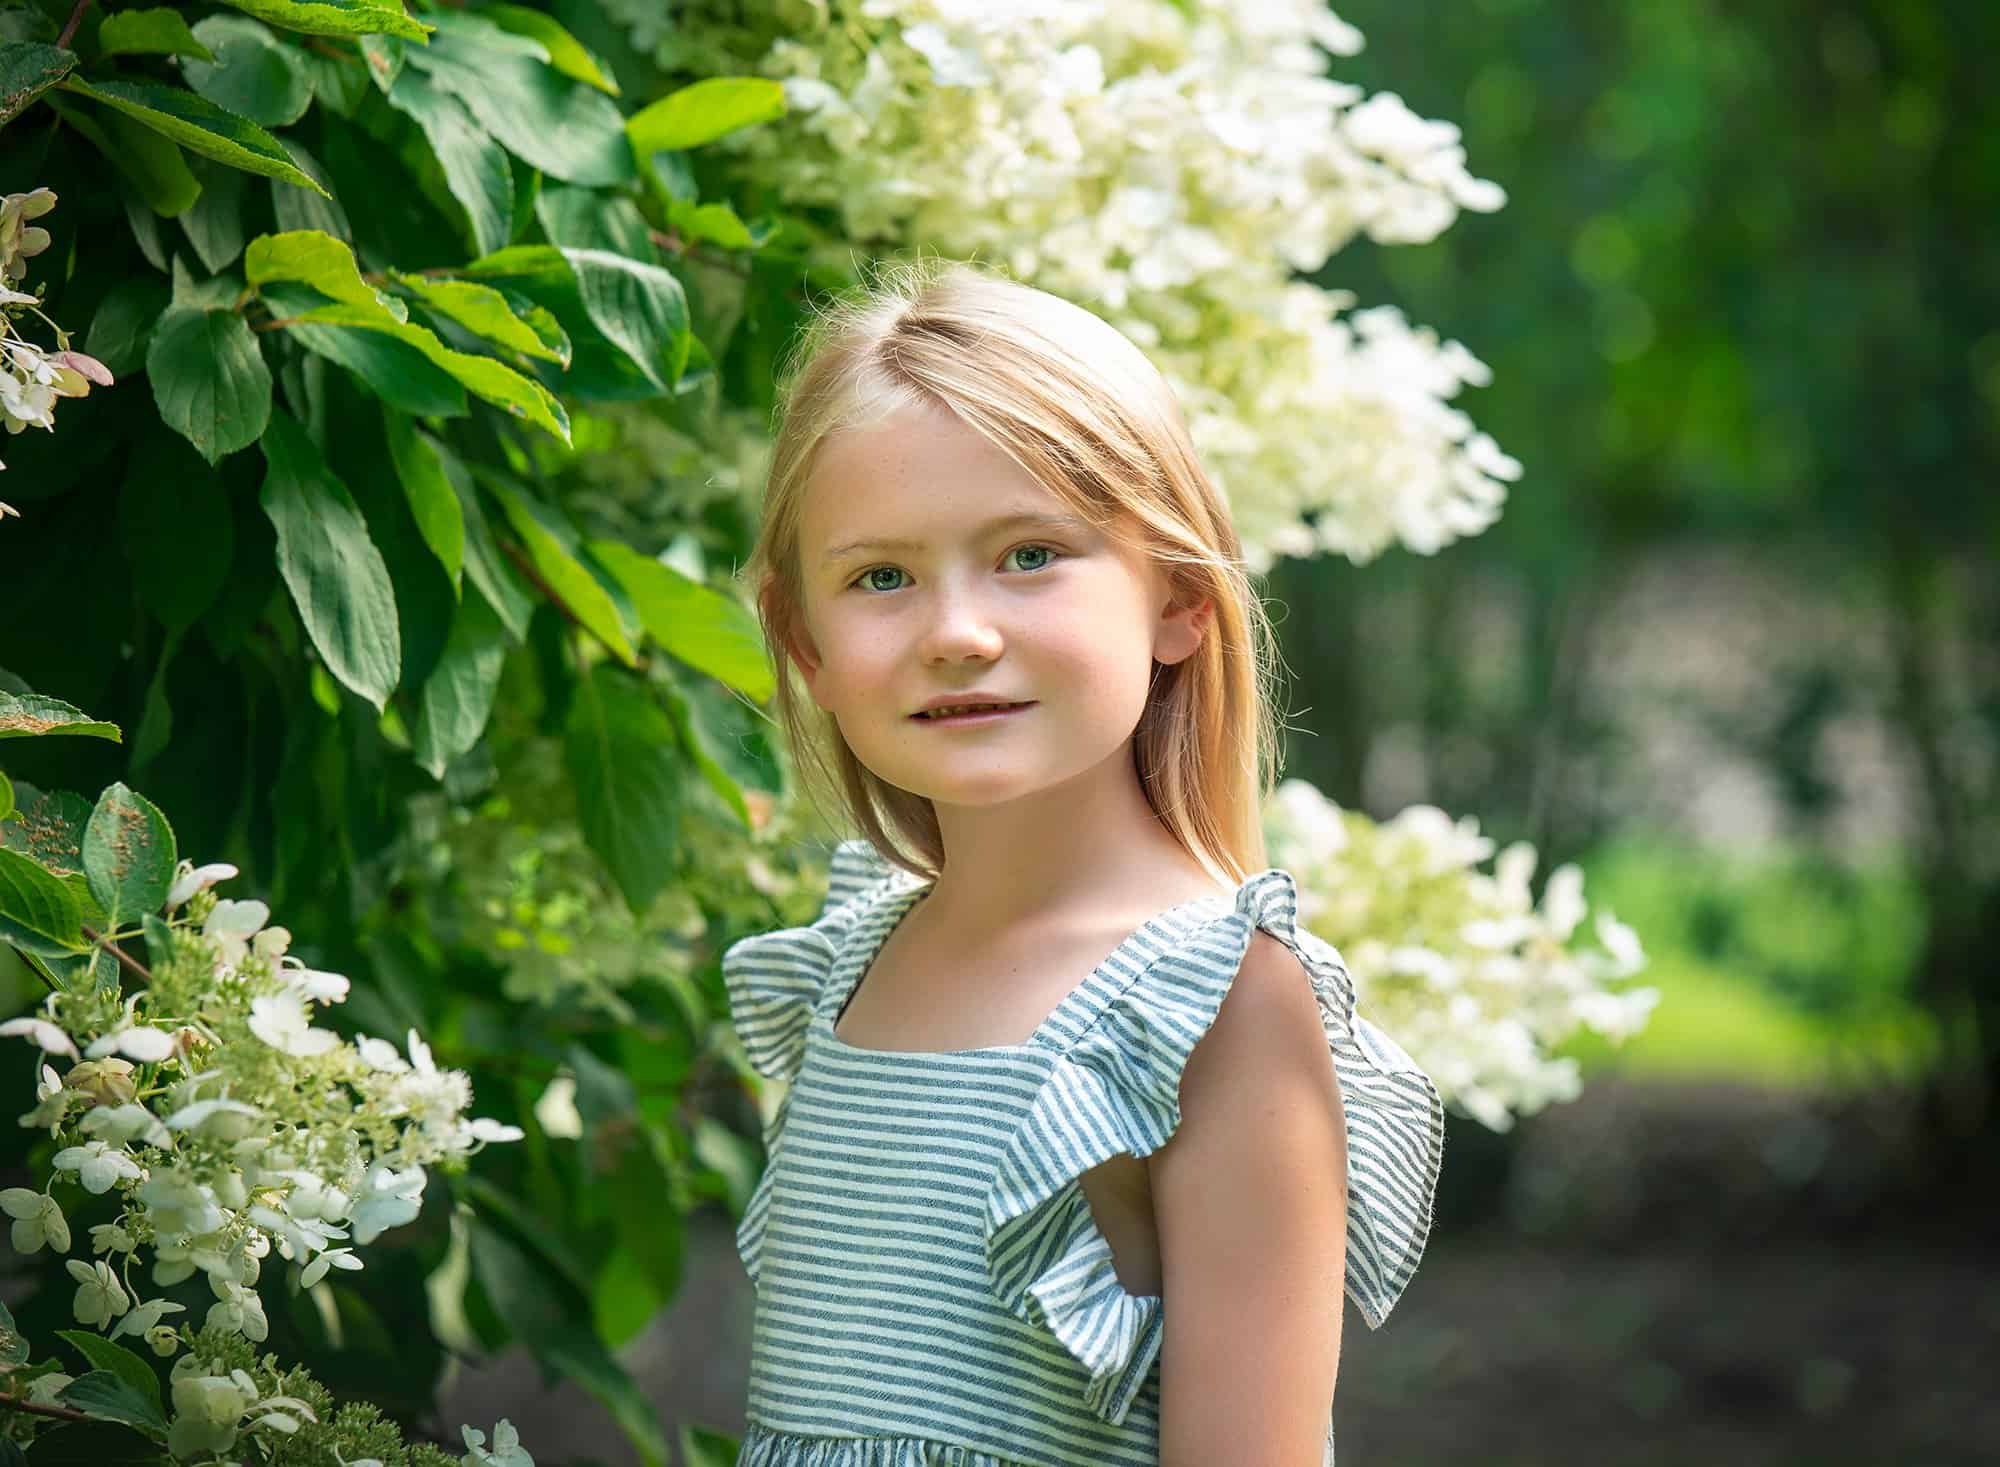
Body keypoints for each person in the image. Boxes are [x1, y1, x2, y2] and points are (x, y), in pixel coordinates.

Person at [722, 258, 1444, 1467]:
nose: (957, 632)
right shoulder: (846, 965)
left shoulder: (1211, 1005)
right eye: (880, 578)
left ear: (1177, 600)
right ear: (803, 636)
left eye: (1028, 555)